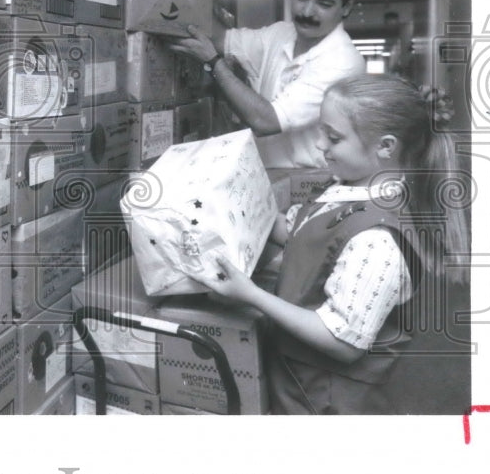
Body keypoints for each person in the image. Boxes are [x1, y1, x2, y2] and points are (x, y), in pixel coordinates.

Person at [189, 75, 467, 414]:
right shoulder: (347, 188)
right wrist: (225, 204)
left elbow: (341, 341)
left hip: (325, 401)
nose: (320, 144)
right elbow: (299, 230)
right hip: (296, 377)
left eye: (333, 137)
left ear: (386, 146)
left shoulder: (378, 240)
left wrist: (250, 294)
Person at [165, 0, 365, 168]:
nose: (307, 12)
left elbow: (266, 121)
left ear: (346, 7)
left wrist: (213, 63)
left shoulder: (343, 61)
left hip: (311, 182)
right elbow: (222, 39)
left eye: (323, 4)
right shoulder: (280, 34)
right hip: (268, 175)